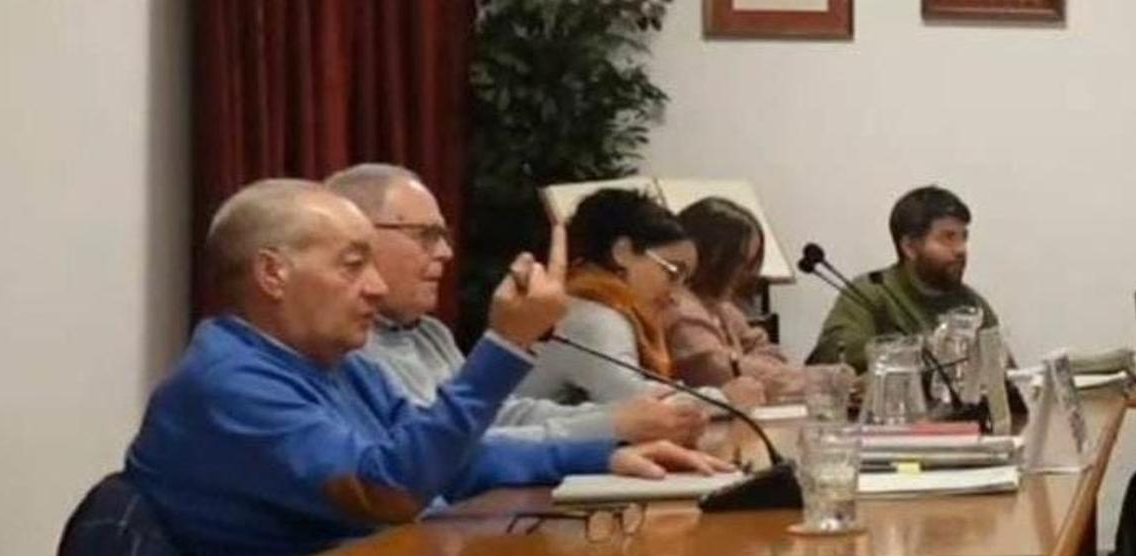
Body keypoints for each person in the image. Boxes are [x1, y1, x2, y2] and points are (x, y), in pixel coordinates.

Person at [124, 179, 727, 556]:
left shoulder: (334, 364)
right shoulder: (229, 384)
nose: (376, 287)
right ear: (272, 273)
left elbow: (450, 459)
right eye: (352, 265)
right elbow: (387, 489)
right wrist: (506, 345)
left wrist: (604, 456)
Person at [324, 163, 707, 446]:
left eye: (443, 235)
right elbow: (437, 450)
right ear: (356, 238)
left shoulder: (429, 333)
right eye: (425, 236)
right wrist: (610, 428)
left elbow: (494, 414)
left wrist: (613, 423)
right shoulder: (341, 343)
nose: (445, 252)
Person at [514, 188, 766, 408]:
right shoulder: (594, 316)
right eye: (672, 272)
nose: (677, 295)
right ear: (622, 252)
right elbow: (633, 402)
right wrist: (724, 399)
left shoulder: (594, 305)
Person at [806, 185, 1000, 373]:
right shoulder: (872, 291)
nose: (960, 249)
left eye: (963, 237)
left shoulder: (971, 304)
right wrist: (922, 349)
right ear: (909, 247)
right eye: (948, 238)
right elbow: (834, 351)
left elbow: (1003, 373)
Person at [666, 196, 822, 402]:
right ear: (708, 255)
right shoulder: (680, 307)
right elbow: (720, 372)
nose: (747, 273)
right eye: (739, 261)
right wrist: (821, 380)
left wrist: (749, 365)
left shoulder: (721, 306)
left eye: (752, 261)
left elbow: (767, 351)